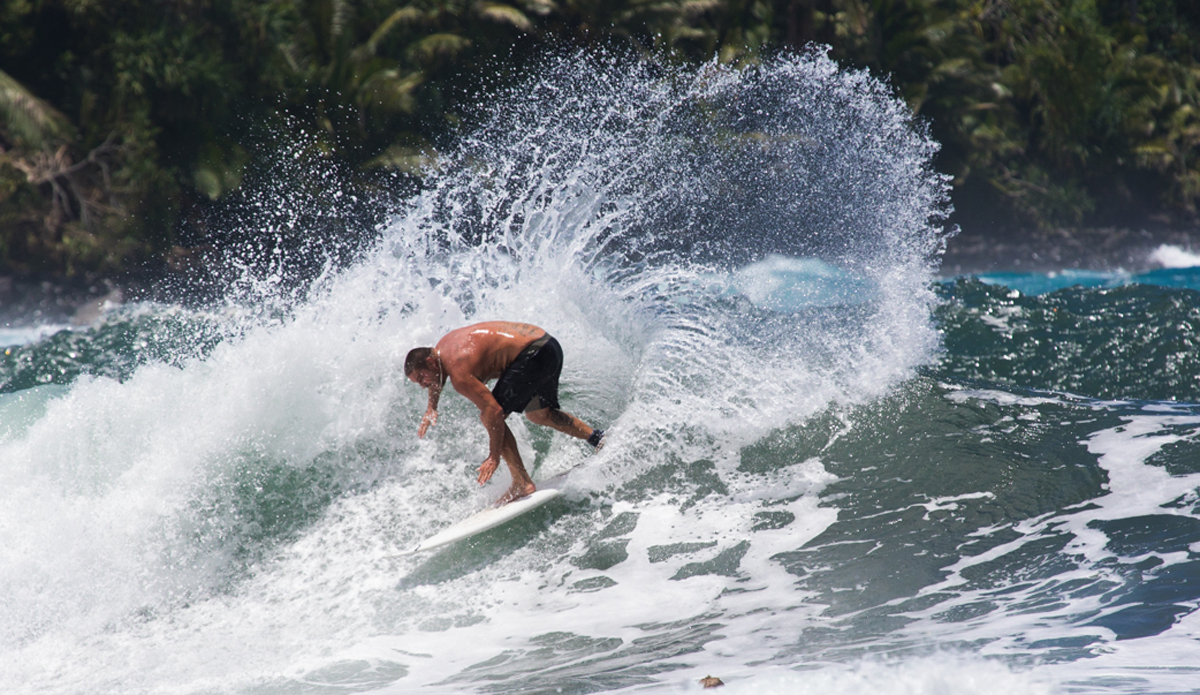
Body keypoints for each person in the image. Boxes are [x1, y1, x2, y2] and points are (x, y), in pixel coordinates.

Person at [405, 321, 605, 504]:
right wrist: (432, 406)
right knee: (539, 414)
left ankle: (522, 482)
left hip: (531, 357)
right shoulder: (443, 347)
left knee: (489, 417)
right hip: (548, 346)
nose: (424, 385)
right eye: (418, 383)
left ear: (431, 362)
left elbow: (494, 411)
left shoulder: (459, 375)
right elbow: (436, 378)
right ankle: (597, 438)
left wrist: (493, 456)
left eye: (422, 378)